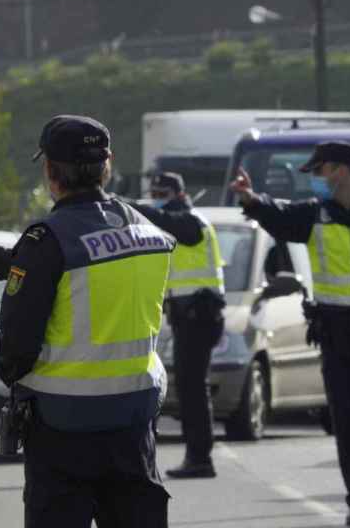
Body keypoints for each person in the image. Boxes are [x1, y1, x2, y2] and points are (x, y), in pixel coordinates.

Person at [0, 115, 174, 528]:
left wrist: (12, 379)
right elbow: (80, 271)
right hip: (133, 421)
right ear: (106, 164)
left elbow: (18, 341)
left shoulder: (49, 237)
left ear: (49, 171)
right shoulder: (144, 229)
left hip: (63, 428)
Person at [230, 140, 350, 527]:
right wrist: (250, 199)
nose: (316, 180)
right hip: (338, 333)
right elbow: (278, 216)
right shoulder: (314, 216)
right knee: (347, 422)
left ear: (342, 170)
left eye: (320, 171)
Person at [130, 172, 226, 479]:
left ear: (174, 193)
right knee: (190, 388)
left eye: (160, 193)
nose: (157, 197)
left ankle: (200, 457)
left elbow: (166, 220)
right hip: (191, 316)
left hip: (199, 315)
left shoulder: (191, 222)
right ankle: (198, 456)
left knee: (193, 389)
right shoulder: (182, 220)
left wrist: (130, 205)